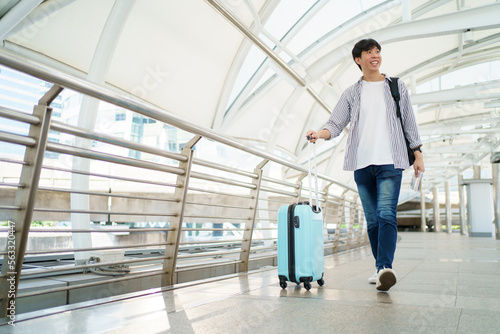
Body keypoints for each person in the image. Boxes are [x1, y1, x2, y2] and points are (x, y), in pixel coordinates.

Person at [306, 38, 424, 291]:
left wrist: (418, 152)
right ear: (358, 60)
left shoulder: (396, 86)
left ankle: (385, 267)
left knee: (385, 214)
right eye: (369, 52)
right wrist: (319, 133)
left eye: (377, 51)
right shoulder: (351, 93)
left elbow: (409, 121)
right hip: (362, 164)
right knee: (372, 220)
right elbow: (335, 124)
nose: (375, 55)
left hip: (390, 161)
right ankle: (380, 268)